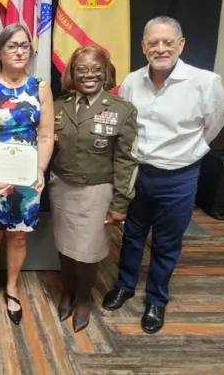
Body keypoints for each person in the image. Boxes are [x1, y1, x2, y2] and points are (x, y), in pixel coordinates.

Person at [102, 16, 224, 334]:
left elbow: (213, 126)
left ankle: (156, 299)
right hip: (139, 173)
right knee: (131, 235)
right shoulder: (131, 81)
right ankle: (125, 285)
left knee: (167, 242)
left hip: (179, 176)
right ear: (144, 47)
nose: (160, 49)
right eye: (153, 43)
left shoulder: (205, 82)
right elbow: (126, 126)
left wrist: (183, 153)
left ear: (180, 44)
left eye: (167, 42)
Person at [0, 23, 54, 326]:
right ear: (0, 51)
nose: (19, 51)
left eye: (25, 45)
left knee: (17, 239)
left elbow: (45, 136)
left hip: (27, 178)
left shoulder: (40, 87)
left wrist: (40, 170)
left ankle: (11, 287)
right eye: (12, 45)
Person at [49, 46, 138, 332]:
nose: (88, 74)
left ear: (106, 73)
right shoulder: (57, 106)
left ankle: (85, 297)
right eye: (81, 69)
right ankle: (67, 291)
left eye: (96, 69)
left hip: (97, 191)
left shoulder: (121, 110)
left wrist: (121, 202)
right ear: (71, 75)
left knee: (87, 251)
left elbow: (127, 160)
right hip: (61, 186)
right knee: (64, 246)